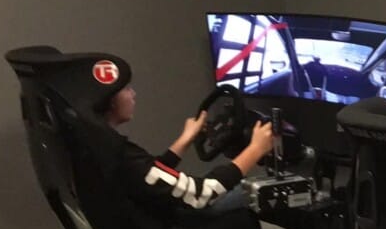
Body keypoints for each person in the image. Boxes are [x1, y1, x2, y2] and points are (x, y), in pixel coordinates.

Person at [99, 83, 275, 221]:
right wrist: (255, 149)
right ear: (110, 99)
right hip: (176, 227)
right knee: (255, 190)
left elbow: (154, 175)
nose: (133, 94)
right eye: (126, 89)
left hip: (158, 218)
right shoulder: (122, 153)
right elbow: (202, 194)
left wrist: (186, 138)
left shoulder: (107, 146)